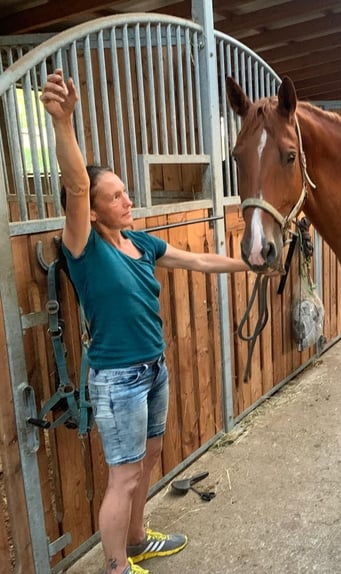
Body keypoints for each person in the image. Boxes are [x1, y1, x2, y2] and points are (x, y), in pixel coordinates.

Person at [41, 69, 250, 574]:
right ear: (91, 211)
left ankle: (136, 540)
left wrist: (249, 264)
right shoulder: (83, 246)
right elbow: (73, 184)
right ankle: (115, 567)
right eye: (115, 196)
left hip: (154, 369)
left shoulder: (143, 243)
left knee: (149, 458)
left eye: (125, 192)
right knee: (125, 476)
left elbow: (198, 262)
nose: (127, 200)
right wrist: (65, 124)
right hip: (117, 379)